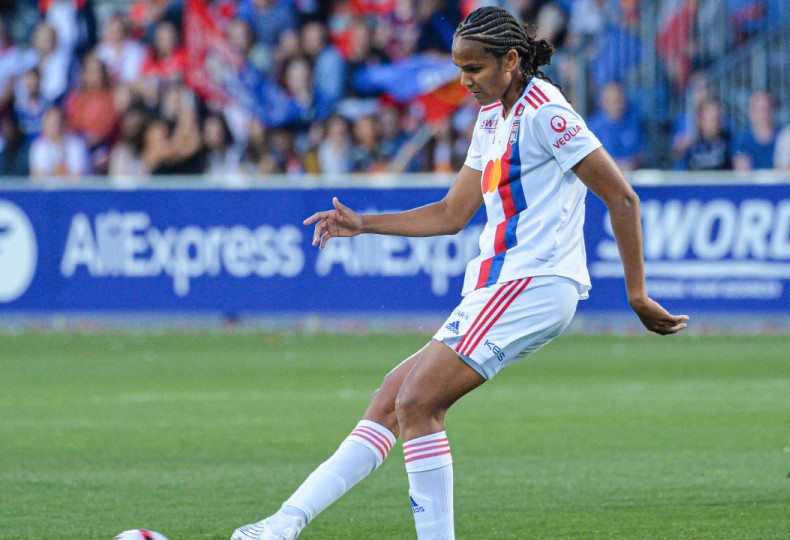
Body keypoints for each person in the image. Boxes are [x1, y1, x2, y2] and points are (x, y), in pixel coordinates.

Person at [231, 7, 688, 540]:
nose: (465, 81)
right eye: (459, 68)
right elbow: (452, 214)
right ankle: (281, 525)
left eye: (474, 68)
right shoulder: (493, 116)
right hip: (500, 283)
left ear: (511, 60)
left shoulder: (546, 112)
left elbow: (622, 197)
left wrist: (637, 294)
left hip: (532, 281)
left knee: (418, 402)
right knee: (392, 399)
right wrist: (365, 223)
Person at [588, 81, 645, 171]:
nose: (618, 104)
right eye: (614, 101)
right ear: (603, 102)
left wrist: (632, 163)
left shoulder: (634, 123)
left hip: (632, 176)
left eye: (620, 100)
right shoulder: (592, 127)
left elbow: (642, 153)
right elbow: (589, 159)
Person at [676, 99, 731, 170]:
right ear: (701, 121)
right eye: (713, 119)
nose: (717, 123)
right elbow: (676, 156)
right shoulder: (692, 143)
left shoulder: (728, 140)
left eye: (718, 118)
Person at [732, 90, 777, 171]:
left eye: (767, 109)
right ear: (751, 112)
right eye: (759, 110)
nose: (764, 115)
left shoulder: (784, 137)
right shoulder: (742, 140)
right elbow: (743, 174)